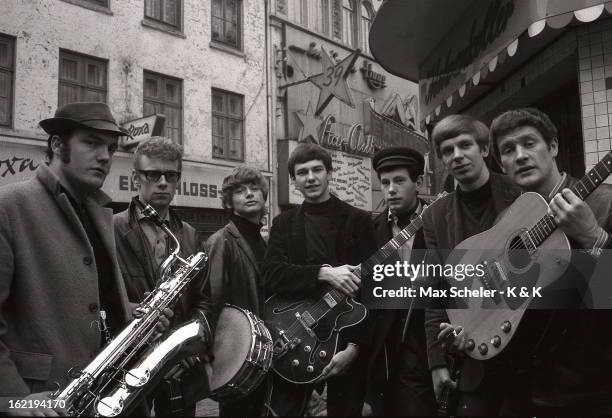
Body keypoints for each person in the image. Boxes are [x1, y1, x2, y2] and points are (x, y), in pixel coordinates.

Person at [0, 102, 141, 416]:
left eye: (111, 148)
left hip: (104, 397)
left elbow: (80, 301)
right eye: (91, 143)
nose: (105, 156)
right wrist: (14, 401)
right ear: (56, 145)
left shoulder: (100, 213)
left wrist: (130, 311)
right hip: (45, 400)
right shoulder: (9, 207)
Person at [485, 107, 612, 415]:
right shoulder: (507, 219)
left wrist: (594, 237)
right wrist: (475, 326)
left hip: (587, 391)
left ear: (553, 147)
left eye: (530, 143)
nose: (520, 155)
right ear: (502, 163)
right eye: (508, 150)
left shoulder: (606, 203)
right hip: (521, 386)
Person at [261, 143, 377, 416]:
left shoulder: (358, 220)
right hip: (295, 343)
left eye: (317, 170)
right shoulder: (284, 224)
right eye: (302, 172)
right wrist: (324, 273)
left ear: (329, 173)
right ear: (293, 181)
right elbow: (270, 274)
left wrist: (355, 347)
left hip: (344, 344)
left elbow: (374, 288)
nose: (310, 177)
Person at [422, 114, 520, 415]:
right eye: (448, 151)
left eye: (465, 145)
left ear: (485, 150)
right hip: (472, 355)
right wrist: (437, 362)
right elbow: (435, 291)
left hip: (526, 350)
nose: (457, 156)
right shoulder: (435, 216)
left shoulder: (520, 194)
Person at [113, 136, 208, 416]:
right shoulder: (110, 228)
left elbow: (204, 299)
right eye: (153, 174)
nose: (163, 182)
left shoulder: (190, 234)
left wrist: (187, 348)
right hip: (125, 365)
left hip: (178, 367)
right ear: (135, 178)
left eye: (171, 175)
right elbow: (95, 298)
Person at [367, 146, 437, 416]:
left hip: (423, 343)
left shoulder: (437, 220)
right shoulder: (373, 230)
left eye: (399, 181)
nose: (391, 190)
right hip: (384, 348)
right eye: (385, 183)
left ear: (418, 183)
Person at [200, 166, 270, 417]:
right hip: (235, 348)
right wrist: (211, 350)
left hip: (262, 348)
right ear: (229, 202)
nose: (249, 194)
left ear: (264, 196)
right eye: (240, 191)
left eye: (254, 189)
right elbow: (212, 297)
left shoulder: (264, 241)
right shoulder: (221, 240)